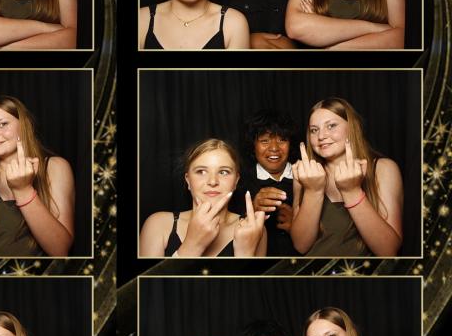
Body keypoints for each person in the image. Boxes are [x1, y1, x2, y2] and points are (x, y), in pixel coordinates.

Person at [0, 96, 75, 257]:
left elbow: (60, 249)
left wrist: (23, 190)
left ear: (24, 125)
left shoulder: (55, 167)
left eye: (3, 124)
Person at [290, 98, 404, 257]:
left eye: (331, 126)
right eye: (314, 130)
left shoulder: (383, 169)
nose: (321, 136)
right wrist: (313, 191)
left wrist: (352, 191)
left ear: (352, 127)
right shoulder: (304, 174)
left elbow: (388, 250)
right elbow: (301, 246)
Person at [139, 139, 267, 258]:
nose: (212, 181)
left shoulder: (253, 228)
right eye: (201, 171)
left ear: (236, 181)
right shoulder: (158, 225)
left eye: (223, 172)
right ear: (188, 180)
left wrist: (245, 253)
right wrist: (192, 245)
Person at [231, 108, 298, 256]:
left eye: (282, 140)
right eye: (265, 141)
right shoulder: (239, 182)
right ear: (253, 145)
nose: (274, 148)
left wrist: (300, 224)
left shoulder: (308, 177)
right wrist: (251, 212)